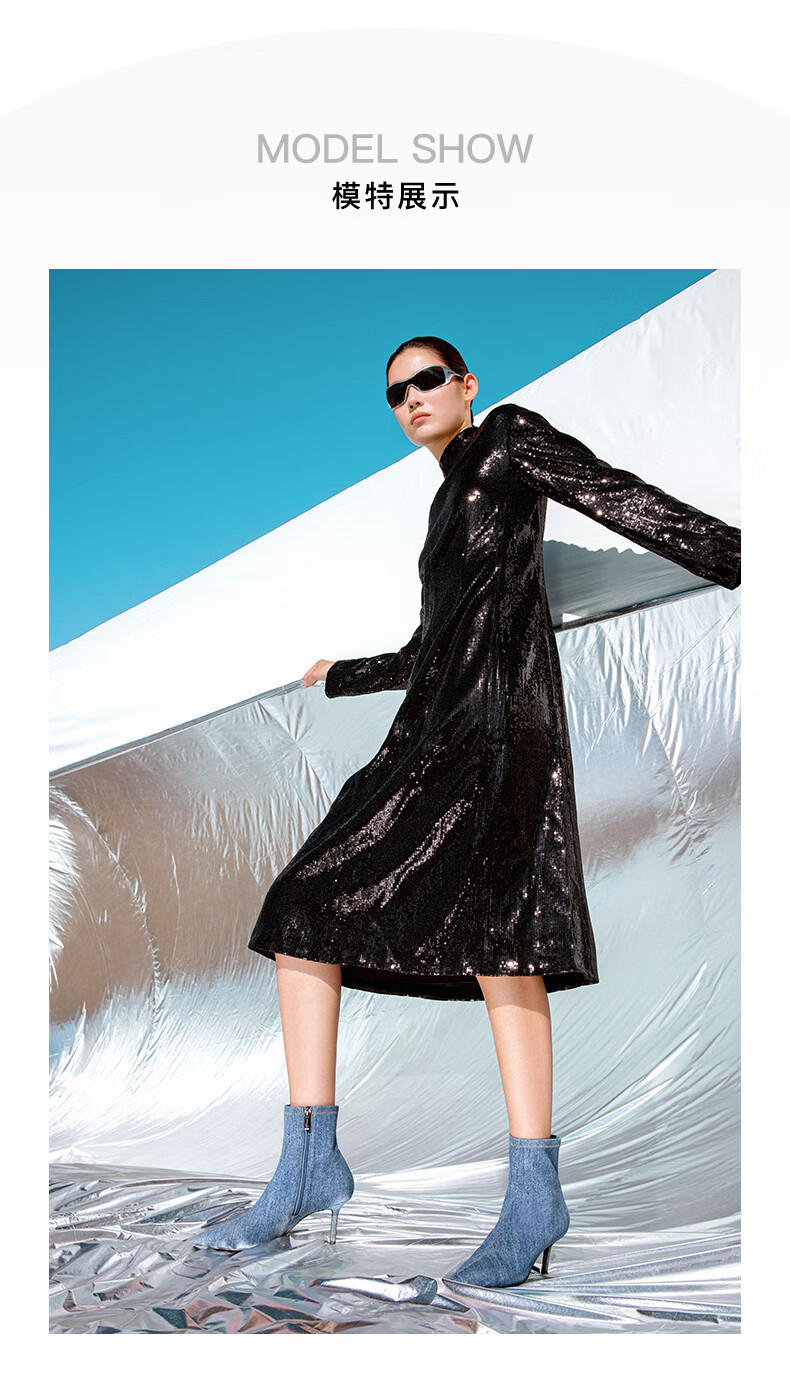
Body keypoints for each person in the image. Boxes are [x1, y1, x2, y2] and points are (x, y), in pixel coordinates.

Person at [195, 336, 741, 1289]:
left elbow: (617, 495)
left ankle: (533, 1193)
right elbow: (433, 645)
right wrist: (344, 673)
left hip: (499, 730)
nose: (411, 398)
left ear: (466, 385)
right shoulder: (442, 504)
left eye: (427, 380)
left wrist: (741, 555)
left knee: (503, 941)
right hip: (429, 735)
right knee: (302, 906)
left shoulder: (509, 439)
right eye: (395, 392)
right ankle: (309, 1161)